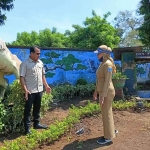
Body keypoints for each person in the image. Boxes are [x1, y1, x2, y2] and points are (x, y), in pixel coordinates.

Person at [19, 46, 51, 135]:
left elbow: (42, 76)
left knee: (37, 108)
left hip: (39, 90)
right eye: (37, 53)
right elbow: (22, 77)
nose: (39, 55)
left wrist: (46, 86)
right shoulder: (25, 64)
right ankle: (27, 129)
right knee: (28, 110)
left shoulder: (40, 63)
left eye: (39, 53)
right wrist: (25, 90)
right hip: (30, 91)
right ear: (31, 53)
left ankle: (36, 124)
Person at [93, 45, 117, 145]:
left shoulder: (107, 64)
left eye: (99, 53)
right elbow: (99, 80)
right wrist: (96, 92)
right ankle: (112, 130)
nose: (97, 55)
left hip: (107, 92)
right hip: (103, 91)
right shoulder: (102, 63)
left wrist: (102, 95)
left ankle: (108, 137)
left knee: (106, 113)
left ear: (104, 54)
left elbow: (107, 81)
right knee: (107, 112)